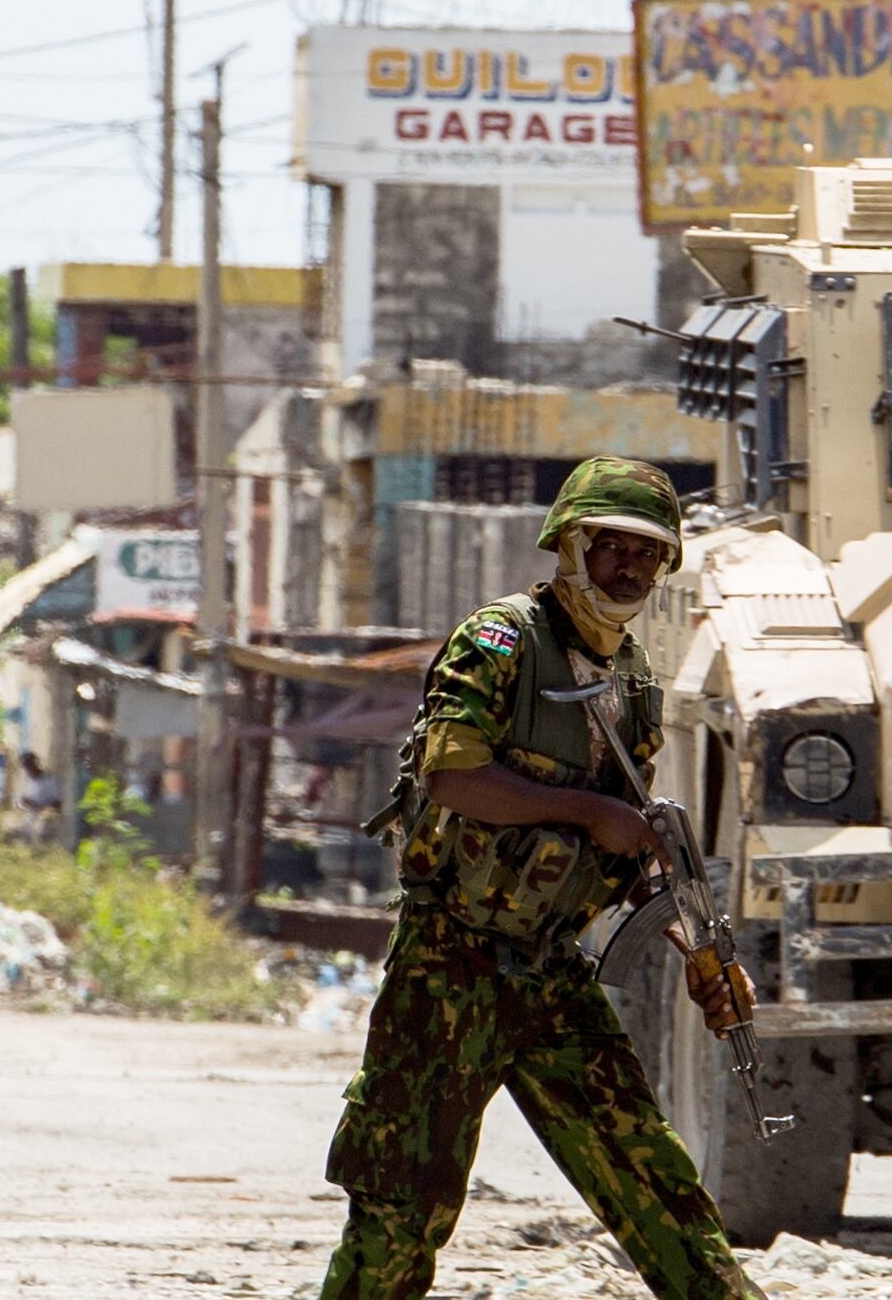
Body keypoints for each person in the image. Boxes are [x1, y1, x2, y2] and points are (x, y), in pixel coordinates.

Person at [318, 456, 760, 1300]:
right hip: (449, 967)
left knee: (658, 1190)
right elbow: (451, 777)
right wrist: (586, 814)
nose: (628, 567)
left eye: (647, 552)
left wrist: (697, 953)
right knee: (400, 1213)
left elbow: (630, 856)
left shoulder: (631, 679)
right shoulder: (502, 640)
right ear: (569, 544)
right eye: (611, 546)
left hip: (551, 974)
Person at [17, 751, 63, 847]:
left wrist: (42, 808)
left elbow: (58, 803)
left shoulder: (50, 779)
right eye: (26, 768)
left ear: (36, 764)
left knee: (42, 834)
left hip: (47, 817)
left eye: (30, 766)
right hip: (30, 815)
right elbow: (19, 800)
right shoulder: (26, 780)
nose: (28, 770)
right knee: (23, 833)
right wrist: (23, 803)